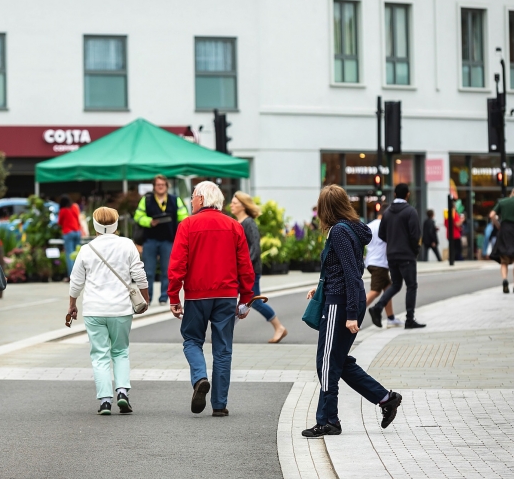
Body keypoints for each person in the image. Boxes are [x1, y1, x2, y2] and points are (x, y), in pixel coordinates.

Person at [301, 185, 401, 438]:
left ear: (326, 209)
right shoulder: (352, 229)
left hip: (341, 305)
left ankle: (328, 421)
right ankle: (385, 398)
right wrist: (320, 289)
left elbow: (351, 274)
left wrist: (351, 314)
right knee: (339, 363)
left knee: (326, 364)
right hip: (339, 299)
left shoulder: (338, 232)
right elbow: (343, 269)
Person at [168, 181, 254, 417]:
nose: (192, 201)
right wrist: (246, 298)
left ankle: (200, 377)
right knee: (223, 349)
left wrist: (174, 295)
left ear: (202, 199)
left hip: (197, 295)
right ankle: (219, 405)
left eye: (194, 197)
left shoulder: (187, 225)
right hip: (226, 295)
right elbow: (245, 266)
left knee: (192, 340)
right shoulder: (234, 226)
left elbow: (177, 264)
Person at [67, 207, 149, 415]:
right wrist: (145, 299)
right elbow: (139, 275)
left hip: (94, 310)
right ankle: (122, 392)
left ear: (94, 225)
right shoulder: (127, 245)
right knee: (120, 351)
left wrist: (72, 305)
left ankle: (105, 401)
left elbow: (76, 281)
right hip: (121, 309)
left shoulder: (87, 249)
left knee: (99, 355)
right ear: (116, 224)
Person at [230, 191, 287, 343]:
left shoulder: (249, 223)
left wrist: (244, 268)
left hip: (250, 271)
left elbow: (254, 248)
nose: (231, 205)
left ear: (243, 205)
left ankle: (279, 327)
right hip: (241, 271)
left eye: (234, 203)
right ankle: (223, 331)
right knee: (231, 300)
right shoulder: (238, 223)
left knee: (253, 301)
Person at [368, 183, 426, 329]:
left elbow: (382, 234)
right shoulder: (410, 211)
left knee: (396, 284)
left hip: (391, 255)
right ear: (407, 195)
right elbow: (415, 235)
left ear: (394, 194)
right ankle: (409, 319)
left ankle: (378, 307)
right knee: (411, 285)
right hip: (406, 255)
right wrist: (415, 251)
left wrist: (393, 242)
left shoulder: (387, 213)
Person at [133, 175, 189, 304]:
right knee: (148, 271)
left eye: (162, 185)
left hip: (169, 240)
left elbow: (184, 217)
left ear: (167, 186)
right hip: (150, 240)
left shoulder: (175, 200)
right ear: (154, 186)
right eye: (158, 185)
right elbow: (138, 216)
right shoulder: (146, 200)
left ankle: (164, 297)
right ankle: (148, 297)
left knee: (167, 271)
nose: (160, 187)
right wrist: (149, 221)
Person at [365, 210, 401, 328]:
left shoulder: (369, 226)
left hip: (371, 261)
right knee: (375, 291)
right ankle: (352, 315)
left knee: (388, 288)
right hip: (379, 263)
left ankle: (390, 318)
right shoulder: (386, 225)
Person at [58, 195, 82, 281]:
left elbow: (60, 222)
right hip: (77, 231)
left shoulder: (63, 210)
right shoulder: (74, 207)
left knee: (69, 254)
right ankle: (80, 275)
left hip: (68, 232)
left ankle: (72, 276)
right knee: (78, 254)